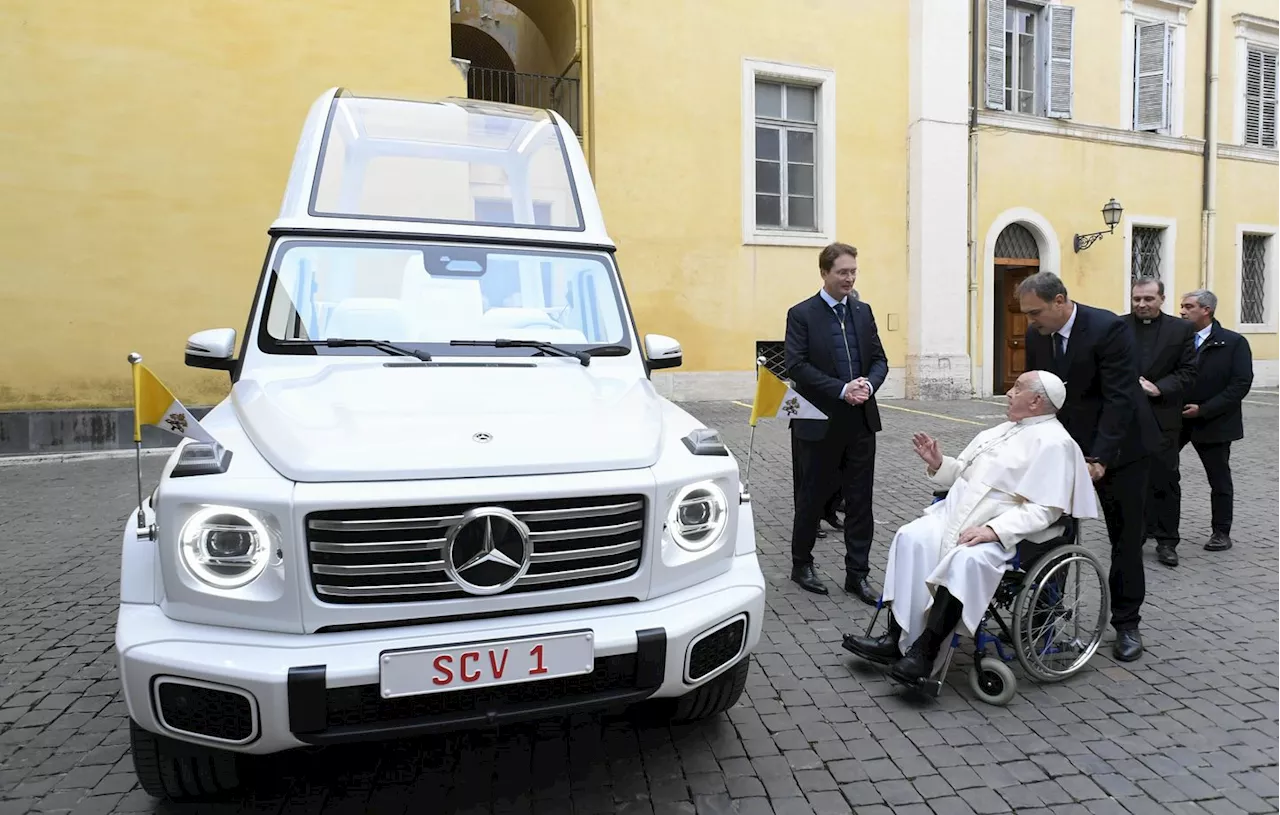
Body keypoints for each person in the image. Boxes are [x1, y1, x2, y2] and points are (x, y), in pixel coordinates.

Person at [841, 370, 1098, 685]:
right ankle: (896, 636)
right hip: (959, 515)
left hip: (1014, 534)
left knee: (966, 559)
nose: (1009, 392)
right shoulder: (1001, 430)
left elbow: (1044, 510)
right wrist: (938, 463)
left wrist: (993, 531)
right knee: (912, 537)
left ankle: (925, 652)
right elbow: (964, 475)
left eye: (1017, 388)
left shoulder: (1056, 443)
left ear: (1035, 401)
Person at [1018, 271, 1160, 662]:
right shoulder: (1037, 336)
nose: (1031, 321)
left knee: (1126, 539)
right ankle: (1046, 619)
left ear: (1060, 301)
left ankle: (1127, 624)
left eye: (1036, 312)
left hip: (1123, 448)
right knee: (1052, 534)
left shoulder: (1107, 328)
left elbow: (1119, 398)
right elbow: (1039, 395)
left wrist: (1099, 458)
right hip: (1067, 448)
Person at [784, 242, 889, 601]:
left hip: (860, 421)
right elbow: (796, 365)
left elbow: (879, 359)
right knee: (811, 497)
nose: (849, 278)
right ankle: (802, 564)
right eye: (843, 272)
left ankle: (857, 574)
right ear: (825, 273)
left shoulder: (863, 311)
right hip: (817, 422)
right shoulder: (802, 314)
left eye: (853, 272)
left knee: (860, 501)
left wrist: (868, 385)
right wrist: (841, 389)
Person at [1124, 278, 1197, 567]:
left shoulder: (1180, 329)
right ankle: (1134, 536)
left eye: (1148, 299)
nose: (1141, 304)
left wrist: (1159, 388)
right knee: (1130, 482)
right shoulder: (1117, 327)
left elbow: (1189, 371)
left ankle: (1167, 541)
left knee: (1165, 480)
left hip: (1163, 417)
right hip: (1127, 419)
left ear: (1162, 299)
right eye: (1137, 299)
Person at [1178, 289, 1253, 553]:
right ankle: (1157, 526)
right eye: (1182, 306)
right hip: (1177, 419)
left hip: (1215, 421)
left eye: (1188, 306)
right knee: (1160, 470)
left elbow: (1240, 384)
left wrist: (1205, 409)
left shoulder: (1233, 342)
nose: (1182, 311)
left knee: (1219, 480)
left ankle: (1221, 532)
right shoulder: (1178, 339)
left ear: (1206, 310)